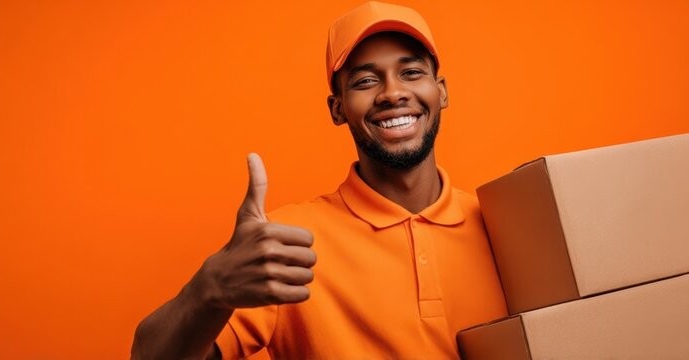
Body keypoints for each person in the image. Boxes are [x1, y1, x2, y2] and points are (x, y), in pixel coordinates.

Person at [131, 2, 507, 359]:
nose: (392, 93)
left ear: (440, 92)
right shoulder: (286, 241)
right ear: (338, 108)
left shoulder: (504, 226)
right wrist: (208, 290)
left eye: (411, 73)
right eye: (365, 81)